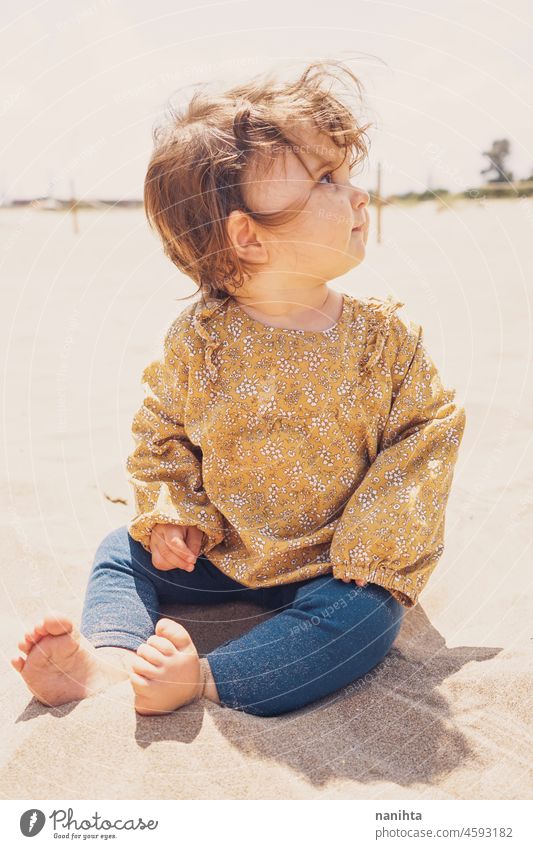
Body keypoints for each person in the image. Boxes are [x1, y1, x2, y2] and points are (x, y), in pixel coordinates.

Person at [11, 59, 466, 717]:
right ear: (247, 236)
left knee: (370, 615)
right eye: (328, 180)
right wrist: (173, 514)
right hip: (225, 550)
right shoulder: (201, 339)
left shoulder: (384, 341)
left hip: (334, 565)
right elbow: (162, 428)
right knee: (121, 550)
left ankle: (207, 678)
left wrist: (374, 541)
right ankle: (110, 660)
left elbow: (426, 431)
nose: (357, 195)